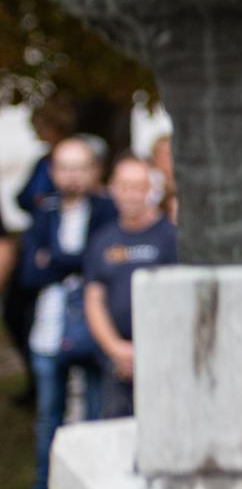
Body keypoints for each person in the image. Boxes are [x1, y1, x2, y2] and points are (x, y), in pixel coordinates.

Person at [10, 138, 110, 489]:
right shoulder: (43, 214)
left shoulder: (105, 211)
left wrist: (55, 261)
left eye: (79, 167)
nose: (72, 176)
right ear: (53, 172)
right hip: (49, 331)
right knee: (49, 416)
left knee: (97, 417)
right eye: (64, 167)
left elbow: (98, 263)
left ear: (94, 171)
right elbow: (30, 273)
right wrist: (72, 264)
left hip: (95, 330)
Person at [77, 155, 177, 421]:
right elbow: (93, 299)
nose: (131, 195)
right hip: (116, 366)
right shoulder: (101, 240)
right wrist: (115, 349)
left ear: (153, 190)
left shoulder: (173, 238)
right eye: (125, 186)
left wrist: (150, 351)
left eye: (139, 187)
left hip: (166, 359)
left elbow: (181, 301)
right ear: (112, 188)